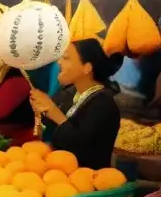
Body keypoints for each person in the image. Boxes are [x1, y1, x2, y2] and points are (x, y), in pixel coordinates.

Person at [29, 39, 123, 170]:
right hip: (61, 174)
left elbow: (82, 147)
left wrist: (55, 114)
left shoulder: (104, 104)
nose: (59, 62)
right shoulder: (69, 94)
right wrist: (41, 110)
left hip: (89, 181)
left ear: (87, 68)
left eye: (66, 58)